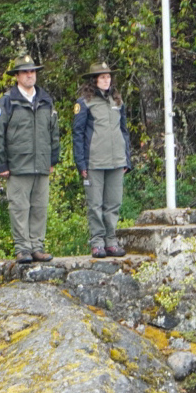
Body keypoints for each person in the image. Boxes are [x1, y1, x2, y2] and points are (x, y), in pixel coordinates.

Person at [0, 54, 60, 264]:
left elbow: (54, 132)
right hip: (18, 165)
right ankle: (22, 249)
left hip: (42, 164)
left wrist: (53, 160)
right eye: (26, 72)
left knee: (39, 207)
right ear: (17, 76)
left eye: (33, 71)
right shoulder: (8, 101)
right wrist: (1, 163)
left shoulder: (46, 100)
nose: (30, 75)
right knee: (19, 208)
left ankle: (37, 247)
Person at [72, 61, 131, 258]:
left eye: (108, 76)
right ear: (94, 80)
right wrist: (81, 163)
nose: (106, 80)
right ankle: (97, 242)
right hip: (94, 161)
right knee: (95, 204)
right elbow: (78, 134)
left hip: (116, 161)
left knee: (113, 203)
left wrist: (127, 159)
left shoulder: (117, 102)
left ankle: (111, 241)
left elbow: (124, 131)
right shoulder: (84, 103)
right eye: (102, 77)